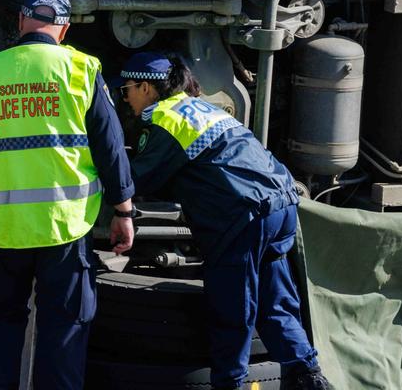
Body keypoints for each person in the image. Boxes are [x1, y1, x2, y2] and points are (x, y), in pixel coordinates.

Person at [0, 0, 136, 390]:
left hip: (3, 225)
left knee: (0, 322)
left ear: (20, 22)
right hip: (64, 226)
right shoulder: (81, 70)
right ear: (63, 29)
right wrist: (123, 211)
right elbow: (110, 145)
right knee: (65, 328)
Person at [119, 52, 332, 390]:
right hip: (282, 204)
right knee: (275, 300)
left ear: (145, 87)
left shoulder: (163, 119)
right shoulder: (203, 107)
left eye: (126, 89)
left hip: (242, 216)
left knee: (233, 306)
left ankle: (229, 383)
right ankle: (309, 375)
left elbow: (133, 181)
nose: (126, 97)